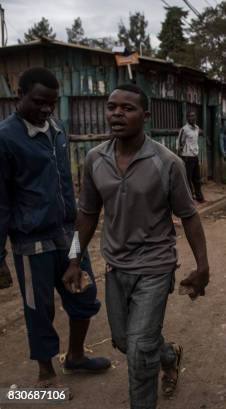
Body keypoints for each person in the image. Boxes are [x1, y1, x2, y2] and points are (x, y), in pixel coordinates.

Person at [70, 84, 211, 408]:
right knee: (124, 341)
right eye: (111, 107)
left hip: (155, 268)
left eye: (127, 108)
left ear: (145, 116)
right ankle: (168, 354)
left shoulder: (167, 162)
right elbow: (87, 216)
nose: (117, 113)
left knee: (138, 353)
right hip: (116, 267)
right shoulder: (95, 160)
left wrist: (203, 265)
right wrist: (74, 259)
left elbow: (189, 216)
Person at [0, 67, 110, 390]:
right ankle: (45, 372)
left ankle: (75, 356)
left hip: (71, 235)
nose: (46, 109)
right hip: (32, 243)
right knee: (39, 308)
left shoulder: (58, 128)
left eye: (52, 102)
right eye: (38, 102)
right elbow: (1, 203)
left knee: (85, 293)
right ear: (19, 96)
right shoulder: (5, 139)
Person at [178, 111, 205, 202]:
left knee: (197, 178)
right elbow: (179, 143)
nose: (192, 118)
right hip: (187, 157)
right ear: (187, 118)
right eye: (190, 116)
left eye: (193, 116)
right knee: (187, 178)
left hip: (195, 156)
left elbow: (201, 133)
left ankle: (199, 197)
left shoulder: (196, 128)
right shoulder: (184, 129)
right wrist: (181, 155)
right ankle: (189, 198)